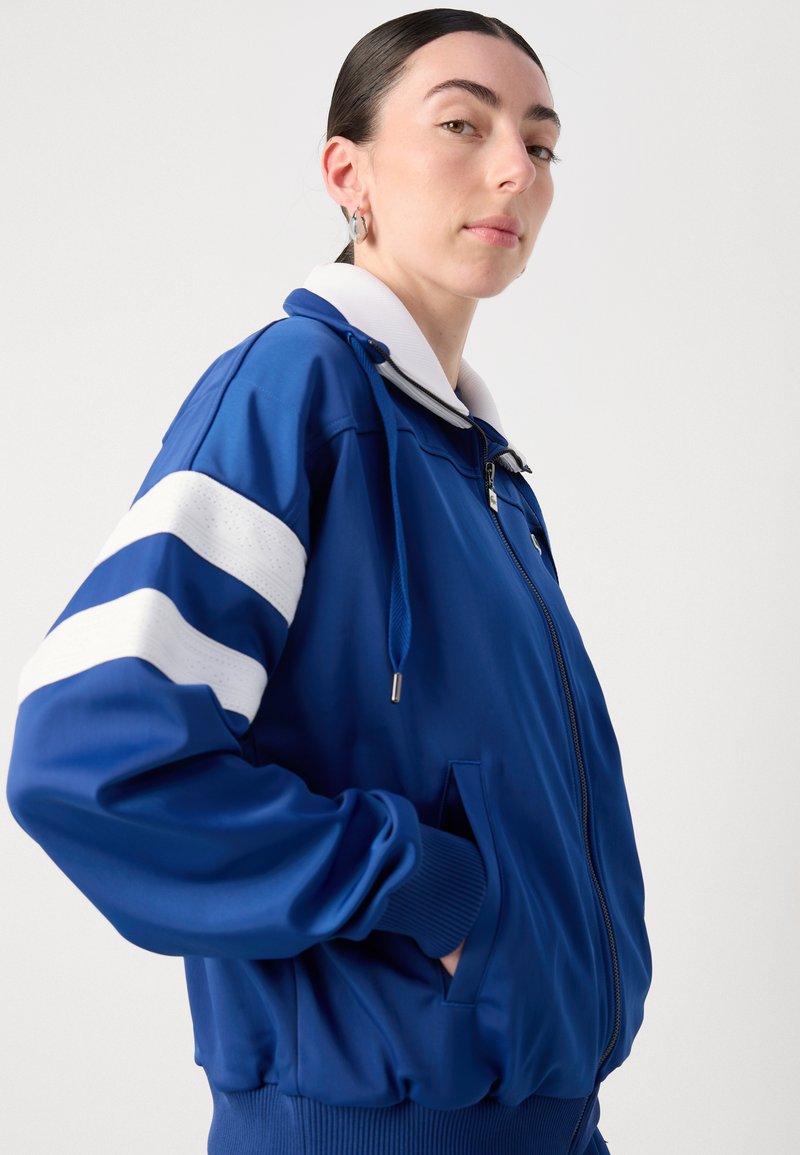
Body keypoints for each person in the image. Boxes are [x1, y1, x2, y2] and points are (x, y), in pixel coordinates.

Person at [5, 8, 652, 1154]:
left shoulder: (480, 471)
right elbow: (89, 756)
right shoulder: (297, 390)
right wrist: (422, 888)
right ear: (346, 174)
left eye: (540, 143)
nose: (515, 168)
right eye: (461, 124)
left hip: (549, 1122)